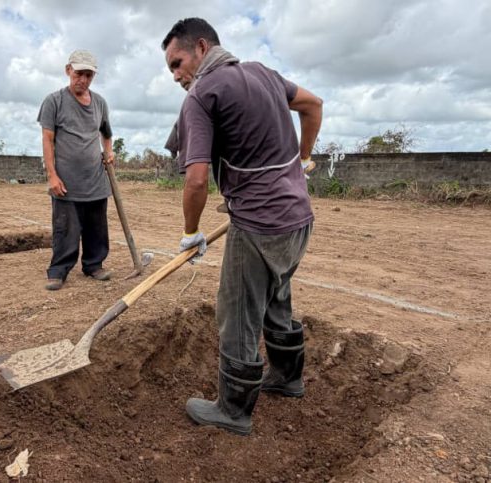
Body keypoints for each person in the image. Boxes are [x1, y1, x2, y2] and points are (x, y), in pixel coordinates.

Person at [162, 18, 323, 435]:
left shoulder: (202, 94)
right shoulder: (263, 74)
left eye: (177, 63)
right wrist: (302, 160)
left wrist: (190, 231)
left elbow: (196, 178)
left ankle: (233, 410)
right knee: (276, 295)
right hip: (298, 218)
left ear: (201, 47)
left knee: (236, 312)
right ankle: (288, 377)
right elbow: (313, 105)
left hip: (258, 225)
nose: (176, 76)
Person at [37, 49, 115, 291]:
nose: (83, 79)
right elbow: (47, 140)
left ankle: (94, 265)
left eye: (89, 75)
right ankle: (58, 271)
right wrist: (52, 175)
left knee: (97, 228)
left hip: (95, 180)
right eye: (79, 73)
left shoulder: (100, 103)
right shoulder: (54, 101)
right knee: (65, 230)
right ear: (68, 70)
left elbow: (107, 133)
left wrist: (109, 151)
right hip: (66, 183)